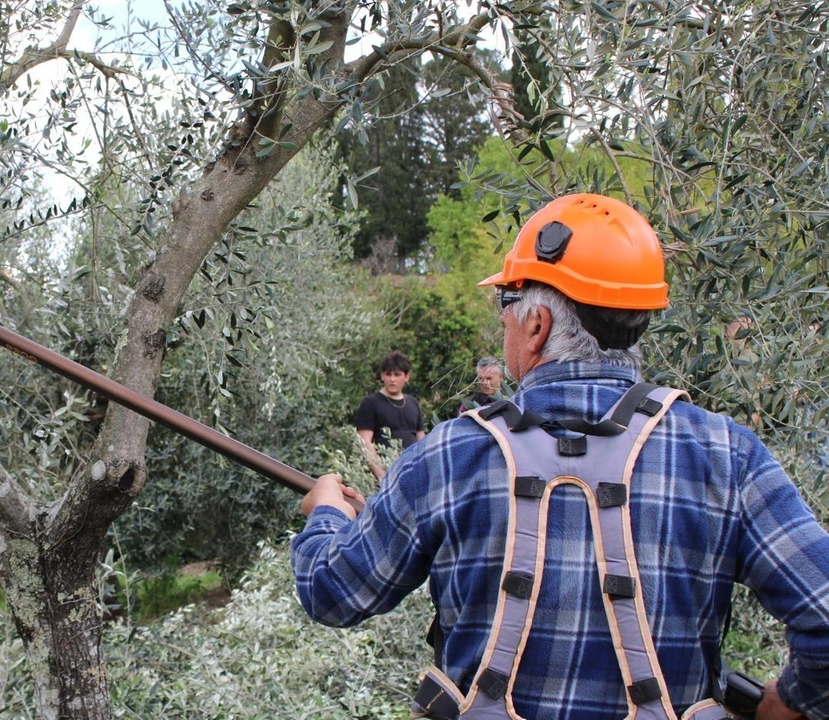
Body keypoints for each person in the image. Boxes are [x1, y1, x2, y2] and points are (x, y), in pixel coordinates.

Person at [292, 193, 827, 720]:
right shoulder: (727, 456)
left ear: (537, 324)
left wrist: (327, 512)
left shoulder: (450, 456)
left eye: (507, 304)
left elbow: (332, 591)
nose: (503, 322)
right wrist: (791, 701)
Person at [354, 351, 426, 480]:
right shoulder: (371, 403)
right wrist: (383, 476)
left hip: (411, 473)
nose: (392, 379)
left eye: (397, 375)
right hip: (383, 476)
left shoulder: (413, 403)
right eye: (388, 374)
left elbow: (422, 440)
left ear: (406, 376)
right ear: (382, 376)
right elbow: (364, 442)